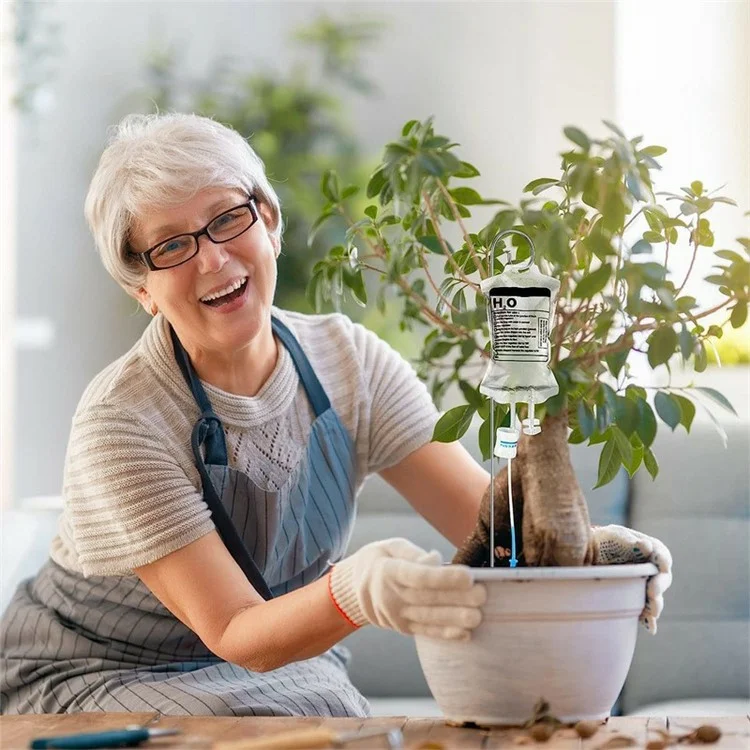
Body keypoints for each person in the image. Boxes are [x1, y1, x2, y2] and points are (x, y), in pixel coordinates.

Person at [0, 113, 671, 717]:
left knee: (334, 714)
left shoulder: (350, 364)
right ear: (142, 287)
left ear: (268, 220)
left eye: (227, 218)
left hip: (280, 673)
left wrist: (594, 557)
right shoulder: (123, 418)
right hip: (92, 672)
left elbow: (492, 535)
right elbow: (236, 632)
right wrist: (353, 588)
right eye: (171, 246)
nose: (212, 258)